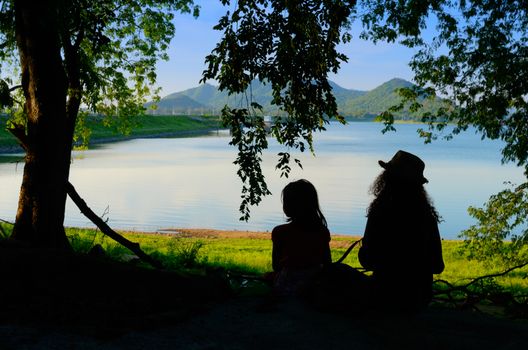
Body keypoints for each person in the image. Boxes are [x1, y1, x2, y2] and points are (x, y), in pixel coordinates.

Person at [358, 150, 445, 312]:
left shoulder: (380, 212)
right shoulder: (426, 216)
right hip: (418, 297)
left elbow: (367, 260)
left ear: (386, 180)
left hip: (385, 295)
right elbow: (437, 266)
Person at [271, 179, 332, 296]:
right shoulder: (322, 232)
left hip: (286, 288)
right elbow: (327, 264)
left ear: (288, 206)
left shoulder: (280, 232)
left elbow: (276, 266)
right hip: (314, 288)